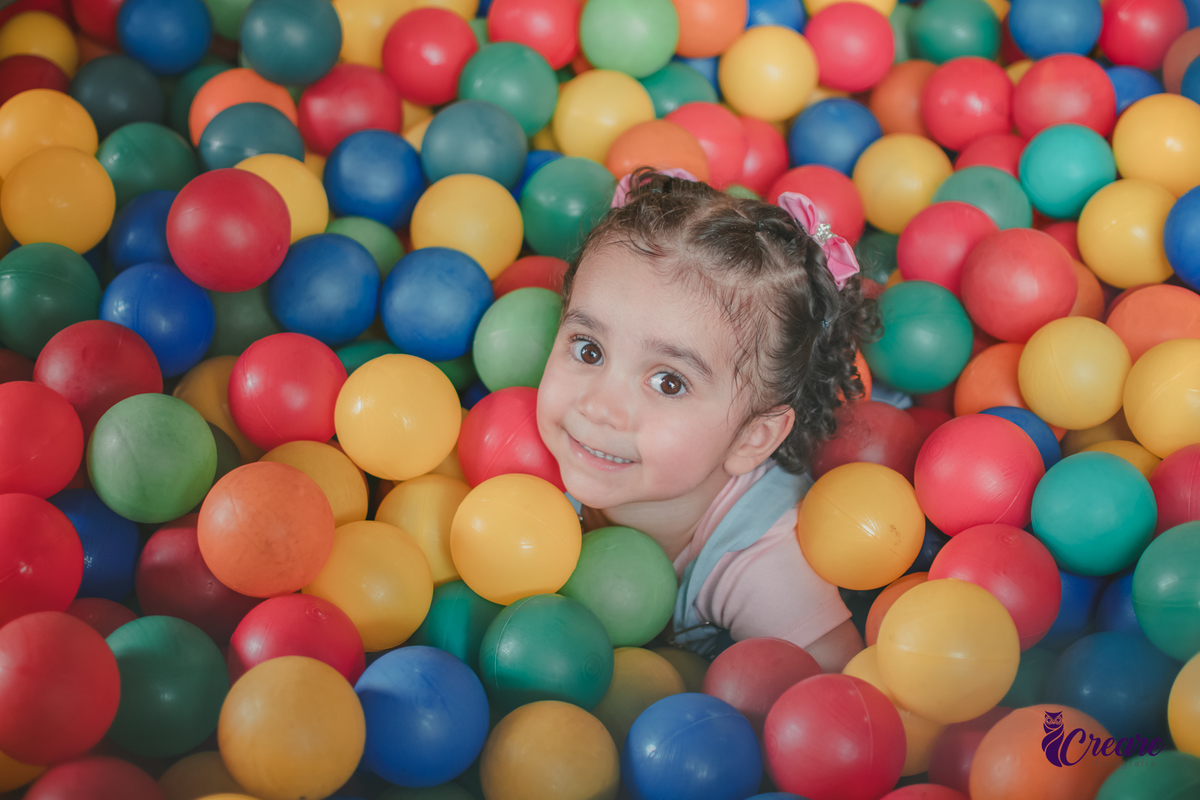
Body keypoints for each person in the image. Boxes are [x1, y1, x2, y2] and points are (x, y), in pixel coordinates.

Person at [536, 168, 878, 672]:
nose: (598, 407)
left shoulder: (762, 562)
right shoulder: (523, 453)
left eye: (668, 382)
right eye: (589, 350)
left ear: (751, 438)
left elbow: (842, 706)